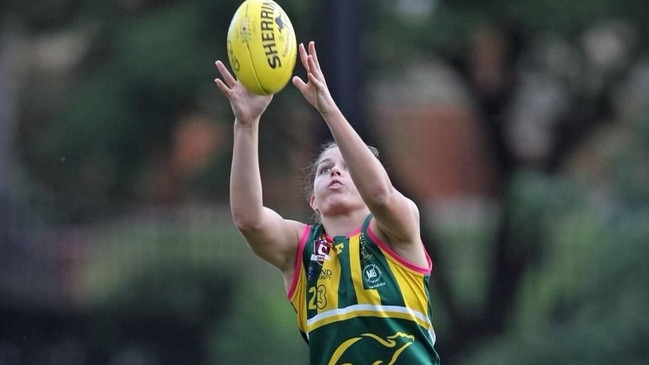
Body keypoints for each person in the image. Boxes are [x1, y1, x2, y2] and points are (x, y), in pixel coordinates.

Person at [214, 41, 440, 364]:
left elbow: (380, 194)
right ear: (313, 200)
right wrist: (246, 124)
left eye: (347, 168)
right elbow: (249, 220)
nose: (335, 170)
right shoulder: (301, 252)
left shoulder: (397, 229)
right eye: (324, 169)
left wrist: (327, 107)